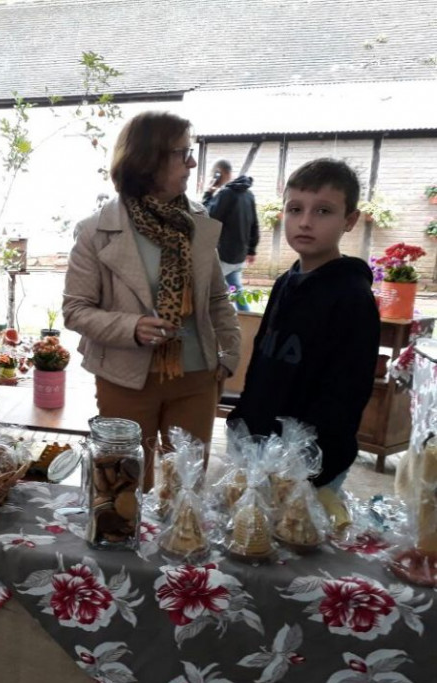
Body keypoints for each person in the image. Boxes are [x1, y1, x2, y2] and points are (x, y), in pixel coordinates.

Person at [63, 111, 240, 491]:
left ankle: (180, 550)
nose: (192, 163)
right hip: (125, 378)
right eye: (182, 153)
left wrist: (229, 356)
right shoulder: (95, 231)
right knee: (122, 488)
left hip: (197, 376)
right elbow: (75, 310)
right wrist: (132, 327)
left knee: (185, 491)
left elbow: (216, 297)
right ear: (149, 158)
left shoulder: (197, 219)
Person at [227, 158, 380, 490]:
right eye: (295, 209)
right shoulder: (285, 282)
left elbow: (348, 393)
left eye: (323, 211)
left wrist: (308, 463)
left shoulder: (352, 297)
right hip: (256, 443)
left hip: (308, 463)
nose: (305, 222)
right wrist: (242, 420)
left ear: (350, 220)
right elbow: (263, 361)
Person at [202, 159, 260, 311]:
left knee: (208, 294)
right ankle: (247, 319)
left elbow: (206, 216)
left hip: (224, 256)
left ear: (219, 173)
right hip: (239, 255)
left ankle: (215, 325)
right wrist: (252, 249)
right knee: (237, 292)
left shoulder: (226, 194)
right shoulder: (248, 194)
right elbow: (255, 223)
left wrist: (208, 193)